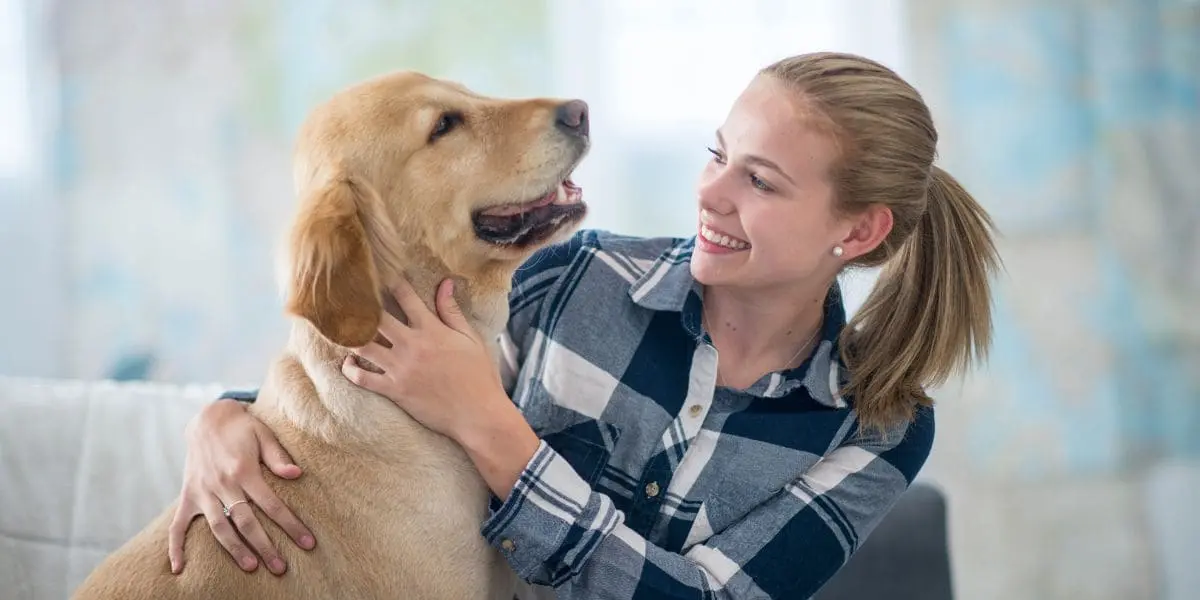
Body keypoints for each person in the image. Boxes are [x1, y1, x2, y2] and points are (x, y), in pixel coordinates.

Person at [167, 51, 1000, 599]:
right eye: (716, 155)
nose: (708, 195)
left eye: (762, 181)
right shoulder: (574, 277)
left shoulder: (882, 427)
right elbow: (381, 379)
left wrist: (493, 430)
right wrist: (230, 417)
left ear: (856, 234)